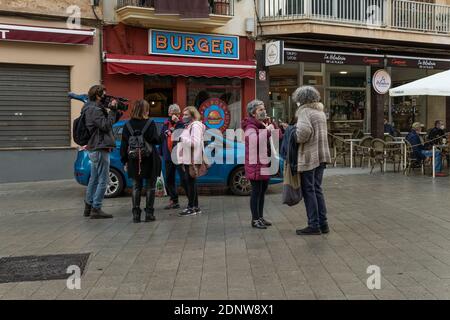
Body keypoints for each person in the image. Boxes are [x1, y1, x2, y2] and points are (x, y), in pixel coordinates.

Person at [293, 86, 331, 235]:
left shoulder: (304, 112)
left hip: (309, 156)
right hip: (321, 155)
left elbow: (303, 133)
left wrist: (293, 135)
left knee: (309, 190)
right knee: (317, 189)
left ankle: (313, 225)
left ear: (301, 99)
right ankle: (323, 223)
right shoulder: (319, 112)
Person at [120, 100, 162, 223]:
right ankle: (149, 214)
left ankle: (136, 215)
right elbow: (155, 140)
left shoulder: (127, 125)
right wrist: (163, 136)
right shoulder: (150, 123)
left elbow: (123, 145)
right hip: (149, 158)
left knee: (136, 187)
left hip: (133, 159)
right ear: (145, 110)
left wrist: (124, 161)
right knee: (150, 187)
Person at [82, 85, 118, 219]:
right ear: (98, 95)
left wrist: (114, 111)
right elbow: (106, 125)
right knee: (104, 180)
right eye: (104, 94)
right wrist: (112, 111)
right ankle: (96, 208)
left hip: (95, 147)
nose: (105, 97)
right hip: (99, 147)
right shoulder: (94, 110)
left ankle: (88, 206)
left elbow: (106, 123)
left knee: (94, 178)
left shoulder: (90, 108)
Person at [242, 99, 275, 229]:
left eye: (264, 109)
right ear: (253, 113)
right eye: (260, 109)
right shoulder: (250, 126)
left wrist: (271, 126)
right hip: (255, 165)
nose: (264, 111)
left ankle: (260, 217)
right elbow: (254, 141)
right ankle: (255, 220)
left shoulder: (260, 124)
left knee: (262, 192)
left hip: (262, 163)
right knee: (256, 192)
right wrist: (268, 131)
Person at [176, 106, 206, 216]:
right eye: (183, 115)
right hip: (189, 158)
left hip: (192, 159)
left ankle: (191, 207)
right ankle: (195, 206)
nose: (183, 117)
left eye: (186, 115)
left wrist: (182, 138)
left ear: (192, 115)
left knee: (190, 183)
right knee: (190, 182)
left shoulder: (196, 126)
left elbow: (195, 142)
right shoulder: (190, 126)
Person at [160, 104, 187, 210]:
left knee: (184, 179)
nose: (174, 114)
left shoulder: (182, 123)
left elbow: (182, 134)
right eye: (172, 112)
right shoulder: (165, 124)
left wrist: (177, 122)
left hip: (179, 156)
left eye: (176, 113)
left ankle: (191, 200)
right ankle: (174, 200)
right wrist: (161, 153)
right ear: (168, 113)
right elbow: (161, 138)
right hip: (168, 156)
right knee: (169, 179)